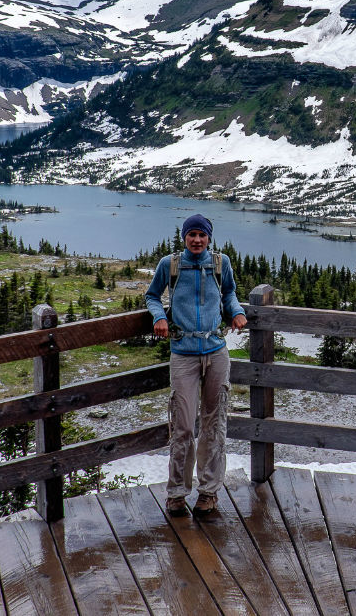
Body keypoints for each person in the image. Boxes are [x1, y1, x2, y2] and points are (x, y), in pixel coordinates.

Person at [145, 213, 247, 518]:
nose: (197, 240)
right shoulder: (170, 264)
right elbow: (152, 296)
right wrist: (159, 316)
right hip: (184, 354)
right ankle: (176, 494)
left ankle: (208, 493)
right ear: (184, 237)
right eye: (192, 235)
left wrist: (237, 311)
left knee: (214, 425)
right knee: (183, 425)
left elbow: (229, 292)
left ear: (209, 238)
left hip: (216, 351)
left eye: (202, 235)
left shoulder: (220, 263)